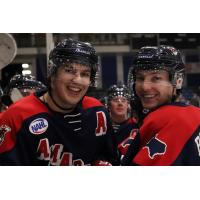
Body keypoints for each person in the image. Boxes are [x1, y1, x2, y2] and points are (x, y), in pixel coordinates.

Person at [0, 38, 119, 166]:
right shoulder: (16, 117)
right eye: (69, 70)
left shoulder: (97, 111)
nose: (78, 80)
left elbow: (111, 160)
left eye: (85, 74)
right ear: (53, 74)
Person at [122, 45, 200, 166]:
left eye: (156, 78)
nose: (144, 87)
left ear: (177, 81)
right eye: (140, 78)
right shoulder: (195, 113)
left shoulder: (162, 120)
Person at [106, 84, 138, 159]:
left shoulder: (137, 127)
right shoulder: (102, 128)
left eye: (123, 100)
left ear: (128, 105)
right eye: (115, 100)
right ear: (108, 105)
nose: (120, 103)